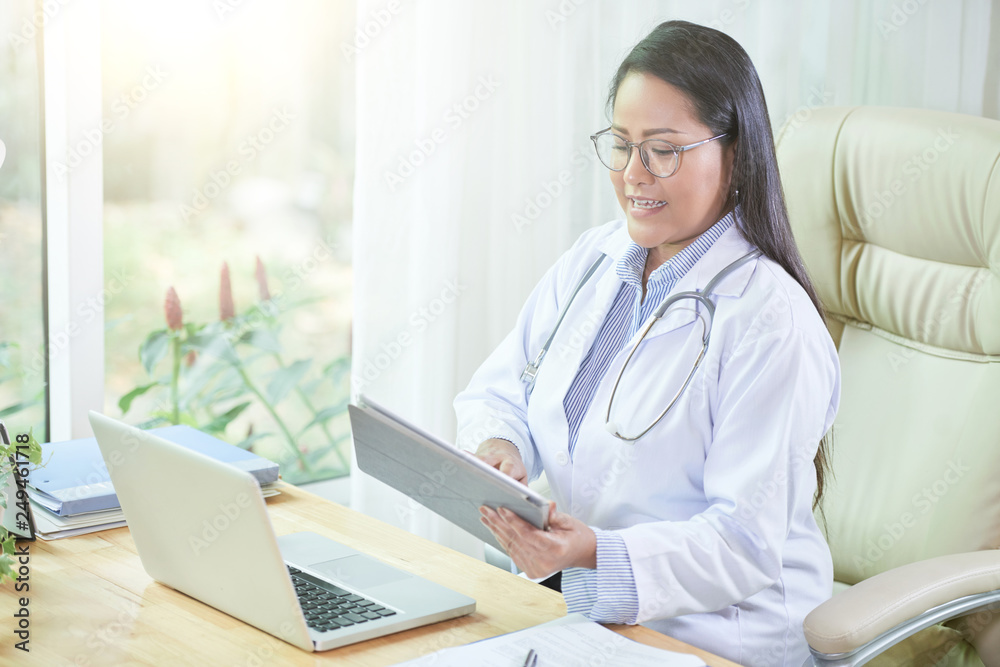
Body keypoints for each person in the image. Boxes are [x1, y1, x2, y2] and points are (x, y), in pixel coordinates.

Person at [453, 19, 840, 667]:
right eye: (622, 144)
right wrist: (501, 447)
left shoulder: (771, 319)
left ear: (735, 154)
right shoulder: (594, 261)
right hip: (583, 615)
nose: (634, 174)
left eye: (663, 149)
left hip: (715, 637)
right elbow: (502, 387)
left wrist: (593, 553)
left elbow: (743, 542)